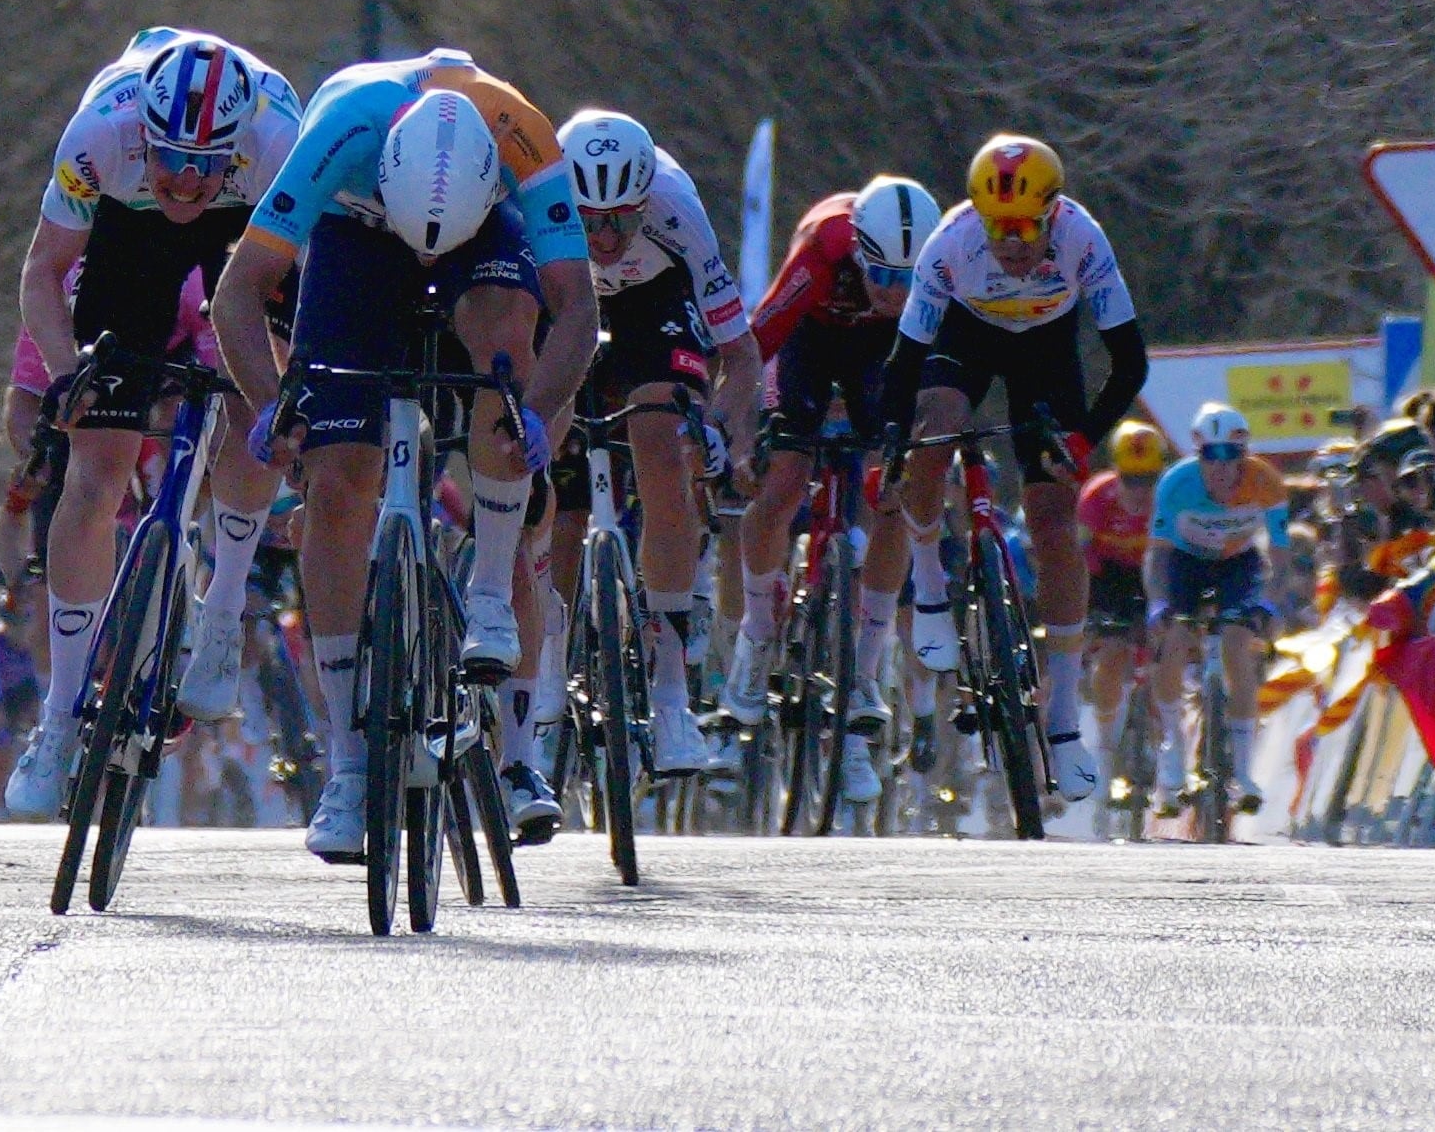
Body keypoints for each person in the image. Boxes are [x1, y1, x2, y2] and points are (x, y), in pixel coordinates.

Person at [207, 48, 597, 865]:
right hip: (356, 233)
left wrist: (530, 411)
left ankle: (491, 586)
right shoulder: (336, 134)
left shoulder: (522, 133)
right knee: (339, 482)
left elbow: (578, 307)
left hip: (482, 235)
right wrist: (277, 403)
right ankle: (349, 762)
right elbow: (238, 292)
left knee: (503, 343)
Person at [3, 29, 302, 818]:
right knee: (94, 473)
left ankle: (223, 609)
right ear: (145, 135)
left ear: (235, 146)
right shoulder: (101, 131)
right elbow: (41, 271)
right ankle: (62, 715)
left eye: (207, 163)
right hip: (126, 236)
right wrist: (69, 371)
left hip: (248, 237)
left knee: (258, 392)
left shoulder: (279, 140)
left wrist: (282, 378)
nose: (188, 178)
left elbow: (303, 284)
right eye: (173, 157)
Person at [883, 134, 1148, 805]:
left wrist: (1084, 439)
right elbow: (905, 360)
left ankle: (1062, 706)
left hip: (1046, 350)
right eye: (999, 227)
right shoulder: (950, 245)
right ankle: (930, 575)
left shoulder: (1084, 239)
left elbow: (1130, 363)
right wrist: (893, 436)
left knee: (1056, 521)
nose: (1013, 242)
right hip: (964, 338)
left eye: (1027, 226)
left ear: (1053, 214)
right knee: (933, 427)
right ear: (979, 217)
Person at [526, 106, 761, 818]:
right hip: (558, 300)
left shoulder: (676, 209)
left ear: (644, 201)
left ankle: (668, 688)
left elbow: (741, 357)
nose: (601, 237)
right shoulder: (534, 202)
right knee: (544, 456)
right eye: (587, 220)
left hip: (653, 304)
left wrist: (720, 428)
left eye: (618, 223)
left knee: (662, 440)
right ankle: (540, 667)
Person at [723, 178, 937, 768]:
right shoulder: (825, 247)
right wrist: (741, 438)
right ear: (859, 254)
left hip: (882, 351)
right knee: (785, 477)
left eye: (907, 280)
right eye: (884, 277)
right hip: (807, 341)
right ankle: (757, 634)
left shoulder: (932, 274)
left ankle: (868, 663)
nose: (894, 291)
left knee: (894, 485)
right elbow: (756, 343)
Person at [1145, 405, 1289, 812]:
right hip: (1184, 564)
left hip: (1237, 565)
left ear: (1245, 453)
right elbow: (1157, 558)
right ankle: (1173, 752)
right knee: (1172, 642)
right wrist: (1158, 604)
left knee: (1236, 646)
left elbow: (1280, 557)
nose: (1222, 467)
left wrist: (1270, 603)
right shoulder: (1175, 485)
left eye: (1232, 455)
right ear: (1198, 454)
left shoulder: (1266, 483)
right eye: (1212, 455)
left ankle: (1243, 773)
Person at [1078, 418, 1170, 781]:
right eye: (1132, 480)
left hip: (1154, 575)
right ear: (1116, 472)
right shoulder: (1097, 496)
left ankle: (1165, 743)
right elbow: (1082, 556)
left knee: (1165, 651)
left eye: (1148, 480)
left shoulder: (1171, 497)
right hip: (1108, 576)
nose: (1141, 491)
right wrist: (1092, 614)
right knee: (1113, 653)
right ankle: (1104, 744)